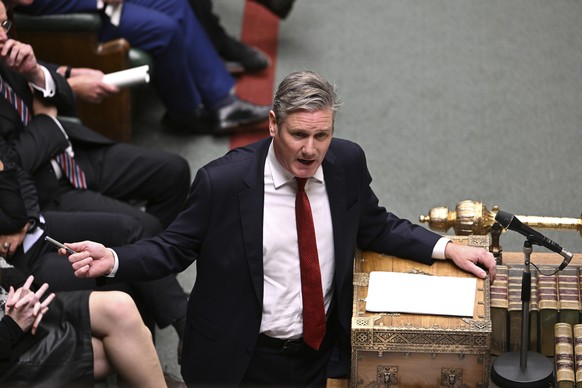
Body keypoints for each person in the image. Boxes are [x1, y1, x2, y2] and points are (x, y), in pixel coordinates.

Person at [62, 71, 497, 386]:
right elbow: (174, 247)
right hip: (239, 360)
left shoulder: (346, 163)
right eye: (298, 135)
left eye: (322, 135)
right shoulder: (223, 182)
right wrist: (115, 258)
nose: (311, 150)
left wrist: (448, 248)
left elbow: (375, 225)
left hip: (317, 354)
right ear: (273, 124)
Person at [13, 0, 271, 134]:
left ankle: (222, 101)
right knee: (165, 31)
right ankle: (185, 114)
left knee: (176, 4)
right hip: (71, 9)